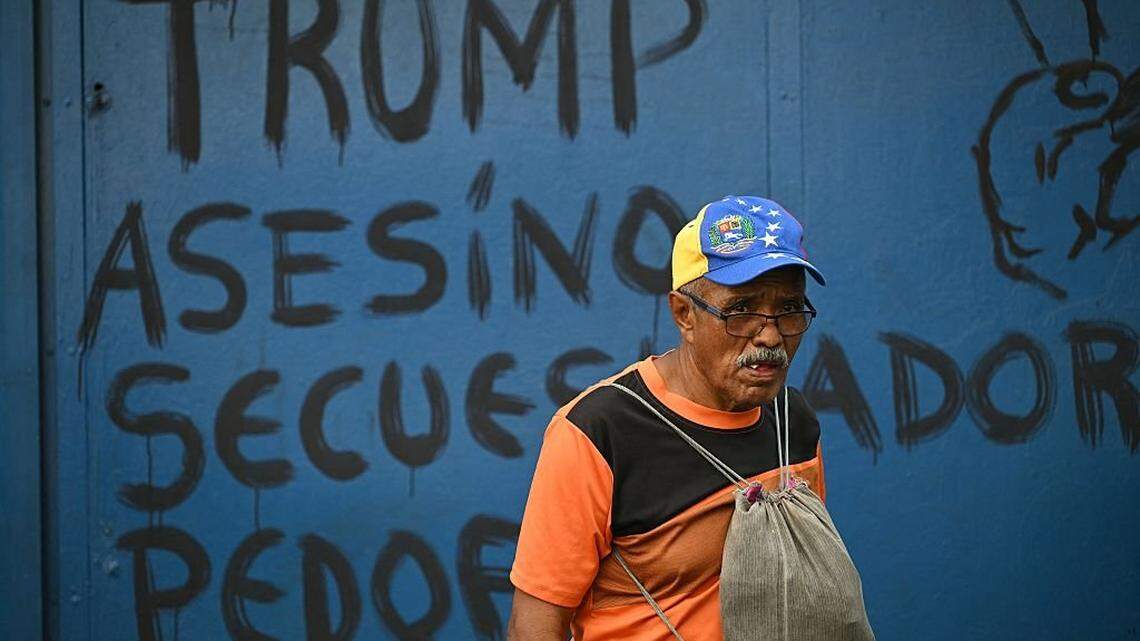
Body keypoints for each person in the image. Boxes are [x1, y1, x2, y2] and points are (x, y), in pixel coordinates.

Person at [507, 196, 829, 641]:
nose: (770, 335)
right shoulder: (599, 432)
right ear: (684, 314)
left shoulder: (794, 423)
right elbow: (534, 625)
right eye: (741, 311)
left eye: (790, 309)